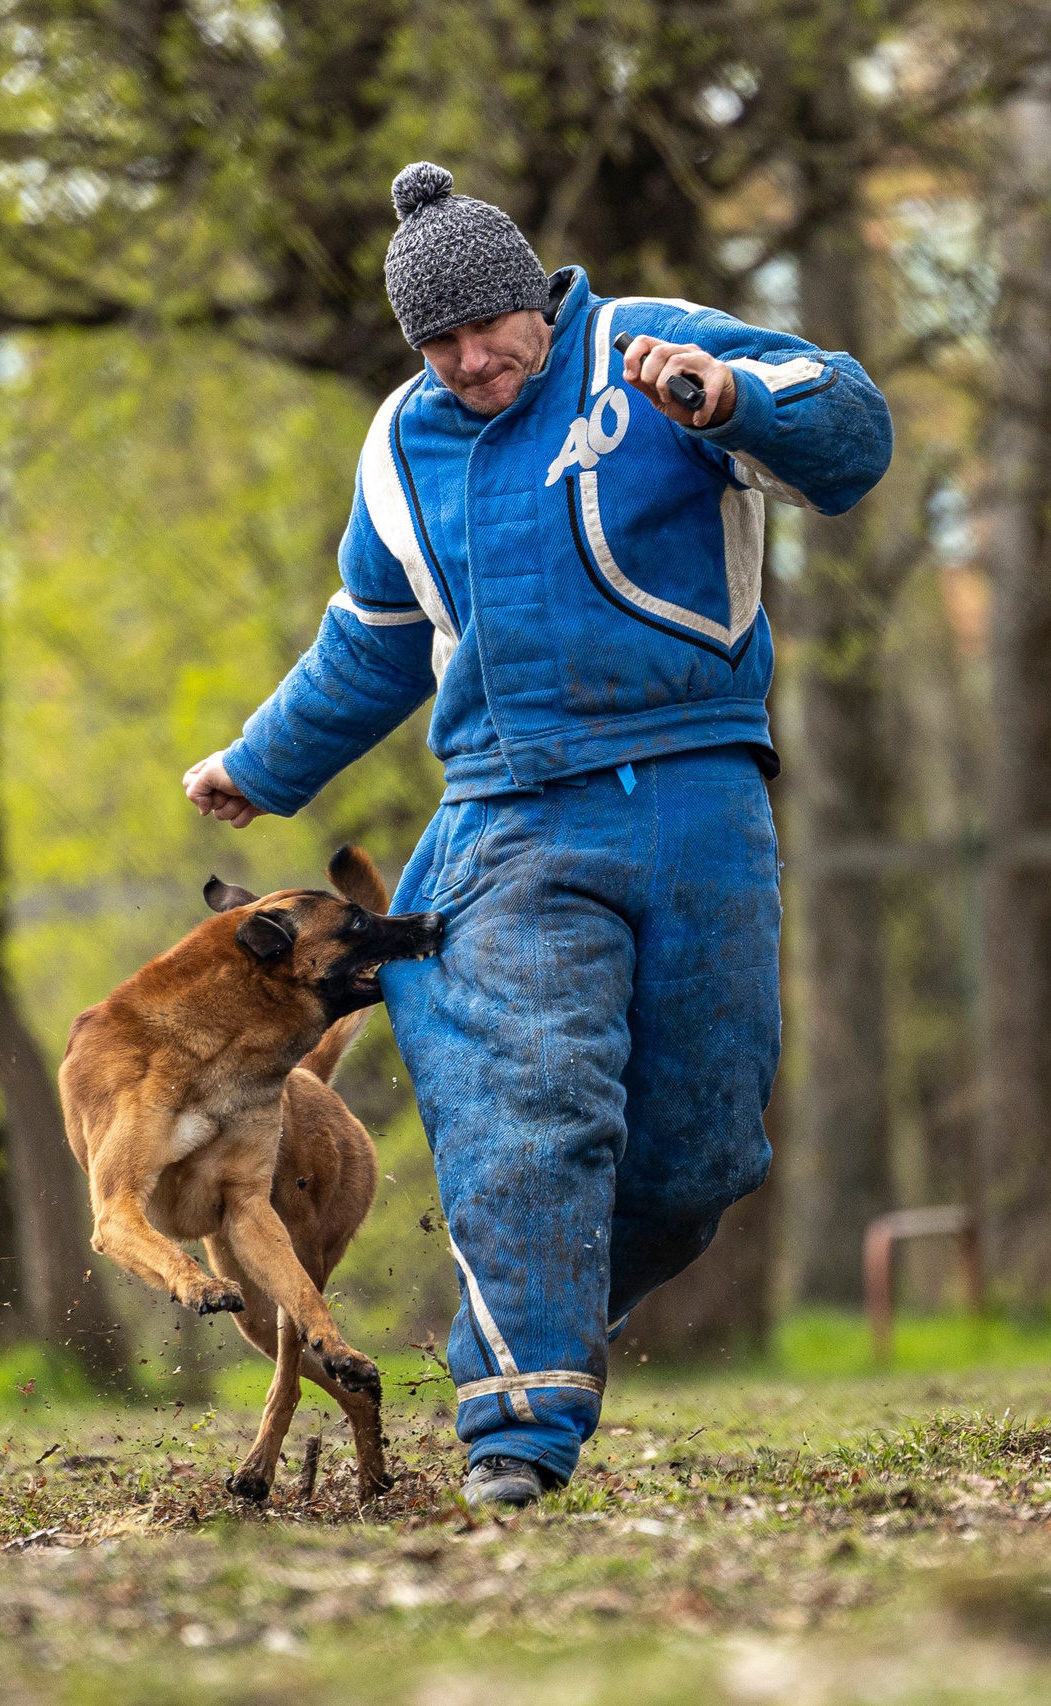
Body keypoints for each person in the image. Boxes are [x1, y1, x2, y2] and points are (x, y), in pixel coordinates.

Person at [181, 162, 892, 1507]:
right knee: (531, 1100)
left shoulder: (648, 349)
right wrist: (261, 763)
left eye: (484, 328)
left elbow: (849, 430)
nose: (467, 361)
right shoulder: (402, 445)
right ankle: (517, 1420)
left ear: (537, 300)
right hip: (512, 812)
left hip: (697, 793)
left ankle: (536, 1298)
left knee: (701, 1151)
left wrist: (732, 401)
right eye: (435, 343)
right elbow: (374, 639)